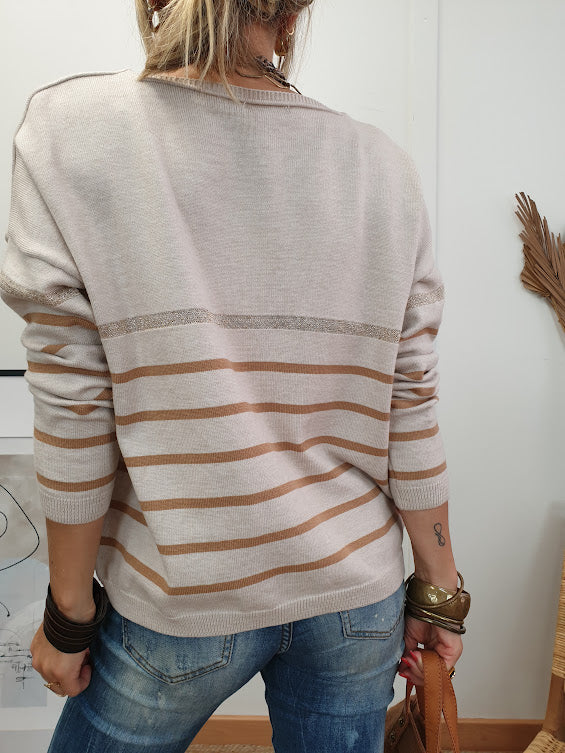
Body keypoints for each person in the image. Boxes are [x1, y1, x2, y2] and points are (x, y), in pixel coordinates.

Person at [0, 0, 468, 751]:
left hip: (183, 591)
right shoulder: (381, 165)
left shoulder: (73, 132)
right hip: (355, 595)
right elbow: (408, 402)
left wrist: (68, 616)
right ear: (295, 12)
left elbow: (74, 405)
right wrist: (439, 591)